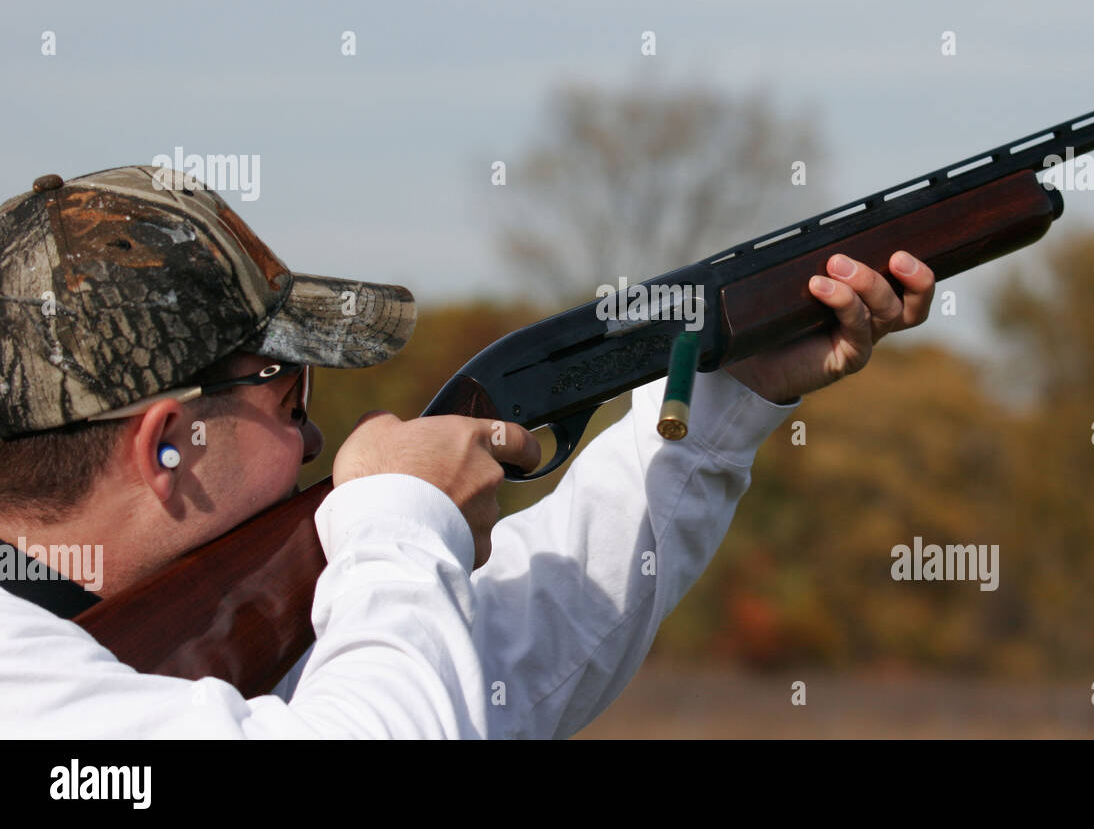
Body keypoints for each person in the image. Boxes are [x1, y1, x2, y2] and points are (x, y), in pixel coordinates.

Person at [0, 165, 935, 738]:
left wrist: (726, 389)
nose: (316, 436)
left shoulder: (132, 652)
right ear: (169, 444)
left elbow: (509, 665)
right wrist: (396, 521)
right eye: (288, 393)